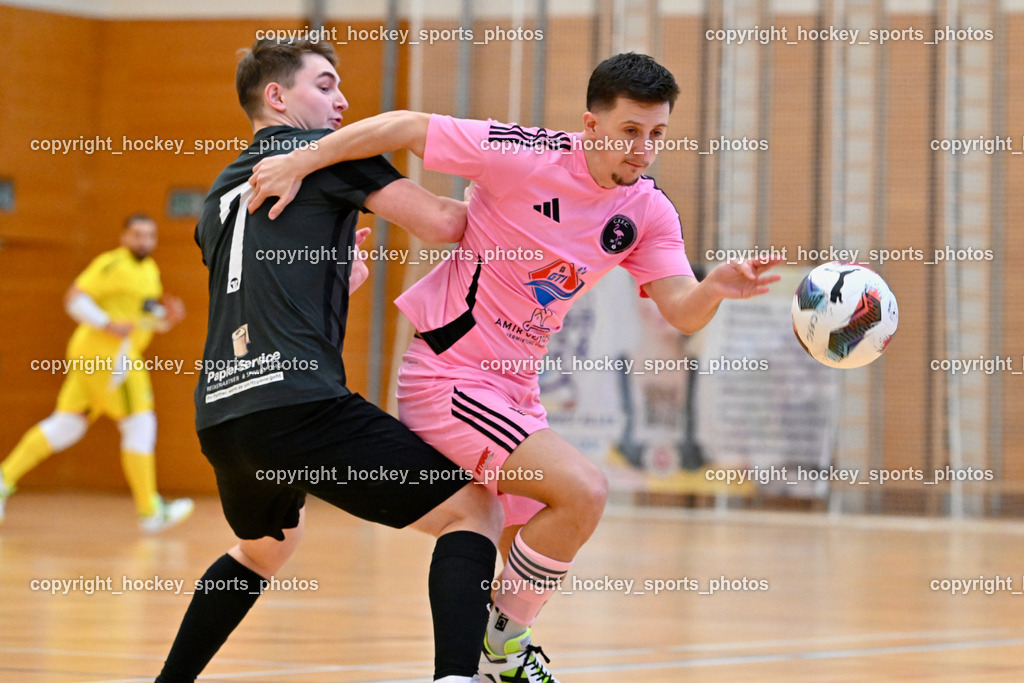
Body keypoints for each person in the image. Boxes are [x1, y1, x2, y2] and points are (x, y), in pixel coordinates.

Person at [248, 51, 781, 683]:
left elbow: (682, 313)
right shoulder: (520, 152)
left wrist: (714, 287)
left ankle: (490, 653)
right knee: (583, 490)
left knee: (529, 534)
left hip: (517, 390)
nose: (644, 149)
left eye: (658, 134)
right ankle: (499, 647)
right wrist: (303, 158)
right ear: (591, 124)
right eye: (630, 132)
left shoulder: (647, 211)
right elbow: (404, 125)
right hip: (451, 377)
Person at [154, 38, 503, 683]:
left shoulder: (217, 198)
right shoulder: (321, 155)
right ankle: (456, 676)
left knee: (264, 549)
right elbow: (443, 223)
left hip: (223, 416)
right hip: (298, 403)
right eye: (324, 85)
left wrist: (336, 275)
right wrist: (534, 193)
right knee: (474, 511)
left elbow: (255, 290)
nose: (341, 100)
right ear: (278, 98)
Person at [0, 213, 193, 533]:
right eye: (137, 235)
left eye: (149, 235)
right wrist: (105, 323)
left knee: (67, 425)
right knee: (140, 422)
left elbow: (139, 317)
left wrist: (167, 318)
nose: (143, 241)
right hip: (108, 358)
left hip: (103, 358)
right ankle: (150, 511)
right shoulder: (112, 264)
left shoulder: (149, 270)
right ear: (124, 237)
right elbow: (74, 299)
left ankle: (3, 479)